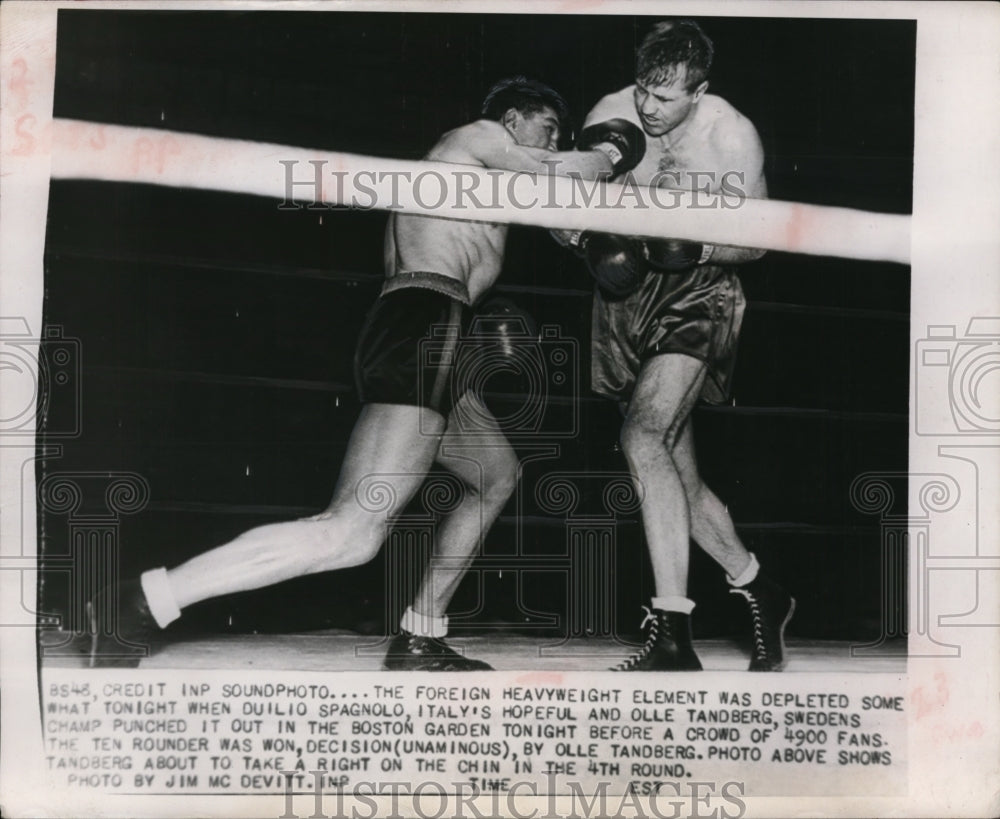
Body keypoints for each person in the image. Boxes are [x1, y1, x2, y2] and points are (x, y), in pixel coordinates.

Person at [88, 77, 638, 670]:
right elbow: (561, 173)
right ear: (512, 118)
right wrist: (609, 152)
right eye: (548, 128)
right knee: (351, 533)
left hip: (424, 325)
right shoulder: (473, 138)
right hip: (428, 320)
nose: (552, 142)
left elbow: (557, 203)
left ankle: (421, 634)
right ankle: (142, 603)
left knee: (496, 474)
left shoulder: (483, 181)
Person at [558, 20, 795, 671]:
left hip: (700, 291)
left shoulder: (731, 134)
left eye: (665, 99)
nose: (648, 108)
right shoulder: (609, 113)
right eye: (643, 90)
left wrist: (697, 244)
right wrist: (587, 243)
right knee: (675, 478)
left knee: (641, 438)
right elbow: (559, 207)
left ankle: (672, 633)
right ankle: (758, 587)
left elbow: (760, 239)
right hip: (625, 298)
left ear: (700, 91)